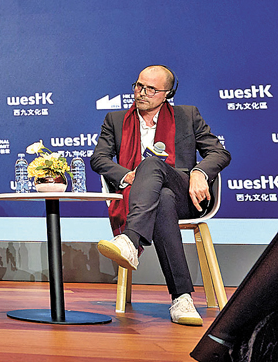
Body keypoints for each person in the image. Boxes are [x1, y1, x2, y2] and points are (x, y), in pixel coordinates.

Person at [93, 65, 230, 326]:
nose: (141, 93)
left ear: (168, 93)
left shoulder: (188, 115)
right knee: (162, 198)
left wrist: (199, 172)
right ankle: (182, 299)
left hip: (185, 194)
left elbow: (219, 153)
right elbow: (99, 159)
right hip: (147, 196)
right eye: (138, 86)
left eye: (151, 89)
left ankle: (130, 240)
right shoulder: (115, 120)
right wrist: (128, 176)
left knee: (153, 164)